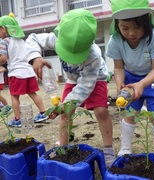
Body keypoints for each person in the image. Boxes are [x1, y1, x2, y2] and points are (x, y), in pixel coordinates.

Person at [25, 9, 115, 166]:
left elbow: (86, 86)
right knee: (66, 114)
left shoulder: (94, 55)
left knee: (101, 112)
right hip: (73, 80)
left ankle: (108, 149)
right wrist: (35, 57)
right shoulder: (55, 38)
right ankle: (63, 148)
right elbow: (32, 38)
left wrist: (66, 103)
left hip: (95, 78)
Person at [106, 0, 154, 159]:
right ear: (117, 25)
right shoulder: (115, 40)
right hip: (131, 79)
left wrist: (142, 84)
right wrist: (120, 82)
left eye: (137, 26)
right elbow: (119, 67)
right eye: (125, 28)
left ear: (146, 22)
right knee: (129, 114)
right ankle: (125, 148)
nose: (131, 33)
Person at [0, 13, 48, 127]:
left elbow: (3, 58)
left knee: (14, 96)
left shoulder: (4, 41)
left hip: (16, 73)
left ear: (3, 29)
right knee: (33, 93)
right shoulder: (22, 41)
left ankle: (18, 119)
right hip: (28, 72)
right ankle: (43, 112)